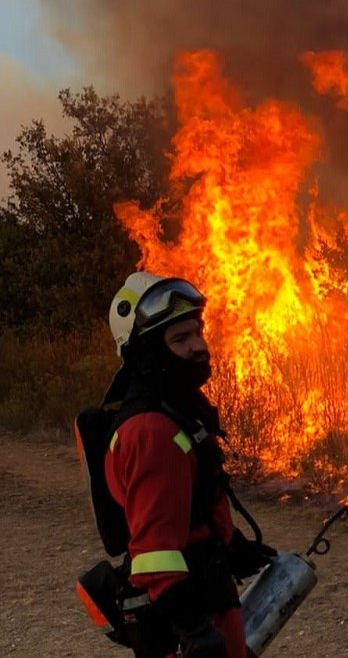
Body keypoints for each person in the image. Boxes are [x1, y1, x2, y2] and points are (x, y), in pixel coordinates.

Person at [101, 272, 275, 658]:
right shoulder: (152, 432)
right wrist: (194, 630)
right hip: (186, 620)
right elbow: (153, 552)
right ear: (147, 352)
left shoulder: (178, 412)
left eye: (197, 332)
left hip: (212, 603)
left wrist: (232, 545)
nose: (199, 346)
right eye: (180, 339)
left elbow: (195, 504)